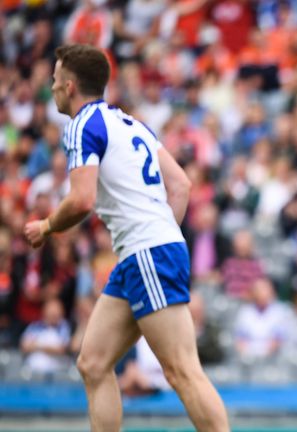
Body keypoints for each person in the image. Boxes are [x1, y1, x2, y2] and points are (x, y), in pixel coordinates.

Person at [23, 44, 229, 431]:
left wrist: (47, 225)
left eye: (53, 81)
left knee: (182, 371)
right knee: (93, 363)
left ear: (69, 86)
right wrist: (164, 233)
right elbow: (181, 185)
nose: (50, 88)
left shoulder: (82, 125)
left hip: (146, 251)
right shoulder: (130, 123)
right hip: (142, 253)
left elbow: (82, 200)